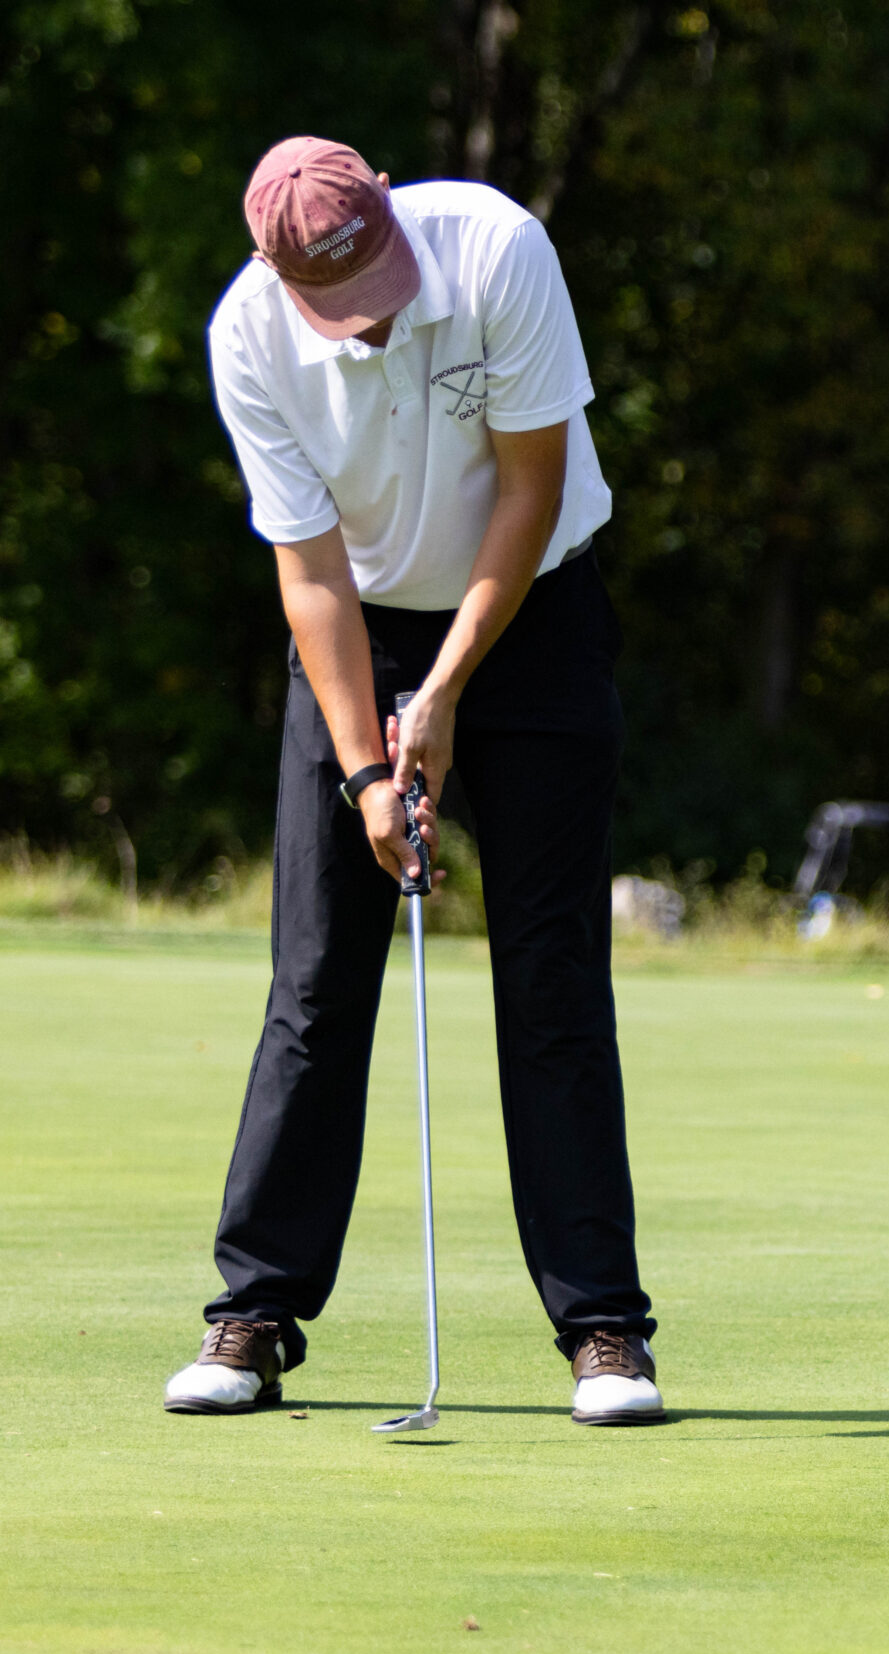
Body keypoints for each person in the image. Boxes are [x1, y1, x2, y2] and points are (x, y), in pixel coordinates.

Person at [162, 136, 663, 1426]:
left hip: (534, 615)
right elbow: (311, 576)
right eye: (338, 304)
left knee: (550, 976)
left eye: (376, 284)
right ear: (276, 275)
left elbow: (534, 488)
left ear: (390, 199)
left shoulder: (496, 246)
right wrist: (368, 772)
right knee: (319, 981)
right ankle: (254, 1314)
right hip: (360, 630)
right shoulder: (249, 339)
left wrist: (442, 696)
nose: (370, 321)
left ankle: (604, 1331)